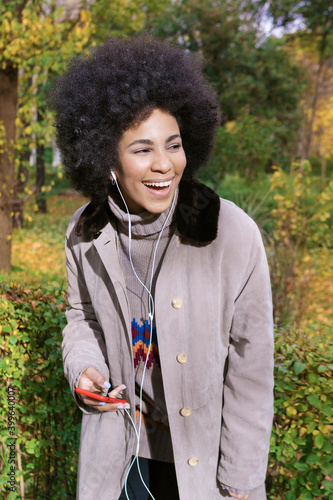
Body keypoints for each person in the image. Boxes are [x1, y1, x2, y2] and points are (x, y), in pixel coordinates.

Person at [49, 34, 274, 500]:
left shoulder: (231, 232)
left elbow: (253, 364)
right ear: (107, 159)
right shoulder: (84, 232)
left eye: (173, 145)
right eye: (142, 149)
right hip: (119, 458)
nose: (164, 165)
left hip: (204, 468)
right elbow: (82, 317)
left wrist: (241, 478)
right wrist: (84, 367)